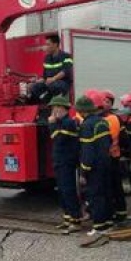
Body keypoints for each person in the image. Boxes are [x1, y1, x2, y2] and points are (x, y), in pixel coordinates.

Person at [77, 94, 113, 236]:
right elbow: (108, 142)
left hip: (94, 167)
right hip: (106, 162)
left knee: (95, 195)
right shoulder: (103, 122)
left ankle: (98, 226)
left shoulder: (86, 125)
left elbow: (87, 150)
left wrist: (84, 171)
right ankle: (108, 222)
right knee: (106, 193)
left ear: (82, 111)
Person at [48, 95, 82, 232]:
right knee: (62, 191)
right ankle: (67, 218)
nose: (53, 111)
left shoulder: (68, 122)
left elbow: (57, 138)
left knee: (69, 191)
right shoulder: (61, 122)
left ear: (62, 108)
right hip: (60, 161)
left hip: (67, 162)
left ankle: (76, 220)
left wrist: (51, 123)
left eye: (55, 107)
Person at [101, 90, 128, 223]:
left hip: (111, 158)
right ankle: (119, 212)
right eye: (103, 101)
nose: (104, 104)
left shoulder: (111, 119)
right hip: (113, 156)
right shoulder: (113, 118)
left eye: (107, 102)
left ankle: (118, 213)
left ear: (111, 104)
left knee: (113, 187)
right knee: (115, 186)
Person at [28, 34, 73, 104]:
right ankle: (44, 104)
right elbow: (45, 77)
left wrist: (53, 78)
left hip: (63, 84)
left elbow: (66, 71)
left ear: (55, 44)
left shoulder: (66, 56)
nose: (46, 47)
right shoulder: (47, 58)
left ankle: (51, 102)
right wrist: (35, 82)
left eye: (48, 44)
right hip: (50, 83)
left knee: (53, 85)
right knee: (35, 87)